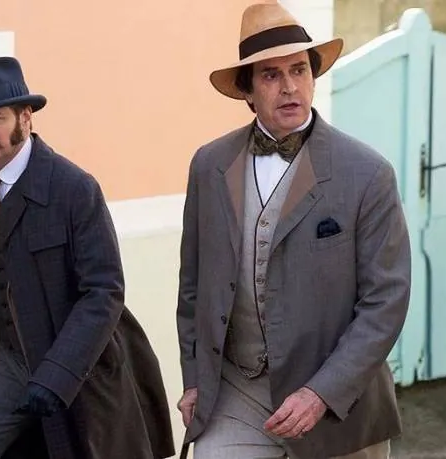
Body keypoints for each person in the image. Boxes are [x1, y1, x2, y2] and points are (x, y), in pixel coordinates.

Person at [175, 2, 411, 458]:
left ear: (313, 77)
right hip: (237, 390)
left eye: (299, 70)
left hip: (338, 403)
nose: (289, 87)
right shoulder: (209, 165)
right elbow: (193, 285)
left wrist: (321, 393)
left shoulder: (367, 173)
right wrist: (194, 376)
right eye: (271, 75)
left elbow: (386, 301)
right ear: (247, 91)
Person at [0, 56, 174, 459]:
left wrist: (57, 374)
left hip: (79, 369)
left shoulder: (74, 188)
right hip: (8, 362)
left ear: (25, 118)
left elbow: (104, 292)